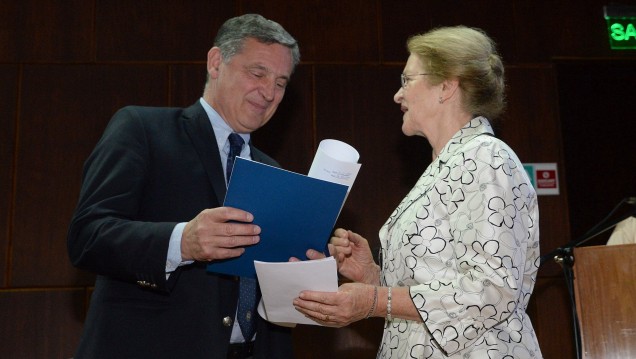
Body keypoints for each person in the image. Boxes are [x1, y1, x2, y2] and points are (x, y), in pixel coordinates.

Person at [294, 26, 543, 358]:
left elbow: (491, 290)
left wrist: (372, 300)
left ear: (446, 87)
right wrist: (373, 275)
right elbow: (439, 283)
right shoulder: (448, 165)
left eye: (406, 80)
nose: (398, 95)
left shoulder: (486, 157)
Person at [67, 14, 301, 359]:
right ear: (216, 62)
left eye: (281, 83)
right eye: (257, 73)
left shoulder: (274, 171)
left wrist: (302, 280)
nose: (268, 93)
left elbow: (269, 291)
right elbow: (88, 237)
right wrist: (182, 242)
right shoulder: (142, 129)